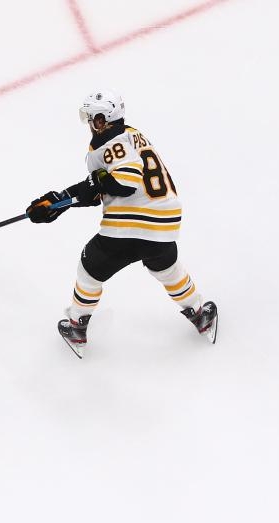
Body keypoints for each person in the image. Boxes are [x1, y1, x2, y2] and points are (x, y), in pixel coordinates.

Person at [26, 90, 218, 358]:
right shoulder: (131, 135)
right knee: (167, 269)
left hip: (130, 222)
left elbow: (124, 182)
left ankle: (76, 324)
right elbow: (101, 187)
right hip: (164, 222)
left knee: (89, 270)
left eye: (92, 118)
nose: (89, 124)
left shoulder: (110, 142)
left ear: (103, 119)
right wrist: (60, 201)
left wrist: (74, 194)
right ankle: (199, 312)